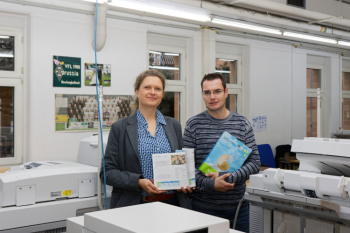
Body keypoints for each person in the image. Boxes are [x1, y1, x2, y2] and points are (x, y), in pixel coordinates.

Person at [100, 70, 191, 209]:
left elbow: (180, 163)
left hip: (173, 204)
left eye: (158, 88)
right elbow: (107, 173)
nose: (152, 92)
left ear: (162, 94)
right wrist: (138, 182)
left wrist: (185, 181)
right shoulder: (120, 128)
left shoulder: (174, 125)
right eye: (147, 87)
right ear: (137, 91)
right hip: (135, 204)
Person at [183, 73, 260, 232]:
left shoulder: (242, 123)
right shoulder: (193, 124)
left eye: (217, 91)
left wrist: (229, 178)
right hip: (204, 209)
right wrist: (212, 184)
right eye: (207, 92)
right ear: (203, 95)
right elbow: (187, 169)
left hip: (239, 208)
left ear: (226, 92)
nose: (212, 96)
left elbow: (254, 163)